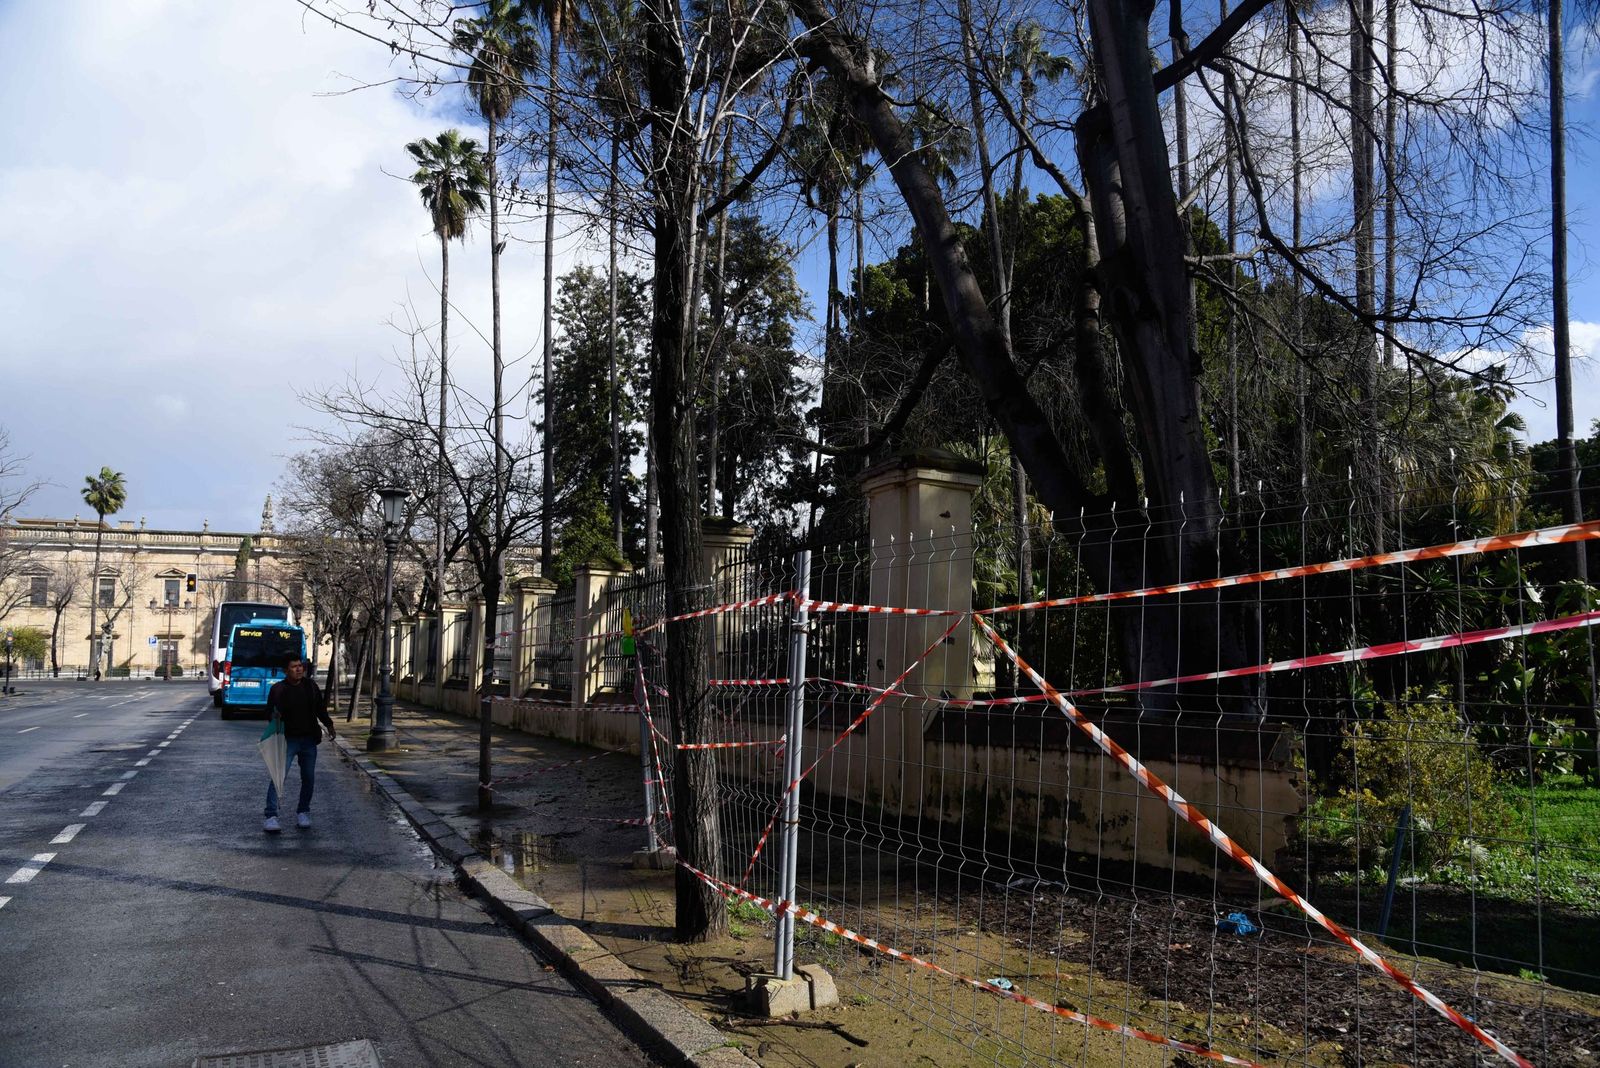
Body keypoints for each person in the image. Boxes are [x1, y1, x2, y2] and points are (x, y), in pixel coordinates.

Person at [262, 657, 336, 833]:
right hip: (287, 740)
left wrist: (329, 724)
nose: (299, 669)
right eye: (294, 667)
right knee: (278, 777)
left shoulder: (310, 686)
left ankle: (303, 812)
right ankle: (271, 816)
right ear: (285, 670)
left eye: (300, 666)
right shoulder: (278, 689)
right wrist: (275, 717)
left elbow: (320, 708)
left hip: (309, 740)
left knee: (308, 778)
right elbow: (270, 713)